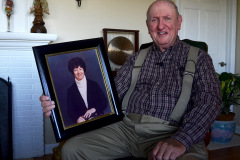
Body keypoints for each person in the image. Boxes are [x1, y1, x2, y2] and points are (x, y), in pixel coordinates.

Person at [40, 0, 222, 160]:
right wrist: (57, 106)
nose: (160, 26)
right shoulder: (136, 58)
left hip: (173, 131)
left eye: (167, 18)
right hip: (125, 130)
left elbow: (210, 101)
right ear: (148, 25)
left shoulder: (199, 58)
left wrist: (181, 139)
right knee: (73, 149)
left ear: (179, 22)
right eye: (154, 20)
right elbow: (110, 97)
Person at [66, 57, 108, 125]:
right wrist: (77, 118)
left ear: (84, 70)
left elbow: (104, 102)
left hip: (99, 118)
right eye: (75, 70)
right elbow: (70, 112)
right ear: (72, 72)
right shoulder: (70, 91)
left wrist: (93, 109)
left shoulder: (94, 85)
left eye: (80, 69)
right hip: (83, 123)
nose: (79, 72)